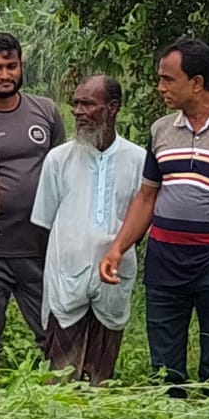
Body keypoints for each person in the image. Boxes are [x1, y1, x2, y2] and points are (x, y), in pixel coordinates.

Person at [100, 38, 209, 397]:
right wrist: (118, 248)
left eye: (168, 79)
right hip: (165, 259)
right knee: (164, 362)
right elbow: (147, 196)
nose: (160, 87)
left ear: (196, 83)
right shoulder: (161, 129)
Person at [30, 76, 145, 386]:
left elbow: (139, 222)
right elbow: (43, 225)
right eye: (76, 104)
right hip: (66, 281)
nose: (78, 111)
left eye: (88, 104)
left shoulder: (138, 160)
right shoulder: (59, 159)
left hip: (113, 279)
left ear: (112, 107)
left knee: (101, 378)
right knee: (60, 379)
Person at [0, 32, 64, 371]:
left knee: (53, 332)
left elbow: (61, 172)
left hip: (39, 246)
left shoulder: (46, 111)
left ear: (21, 65)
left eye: (11, 66)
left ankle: (60, 391)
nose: (5, 75)